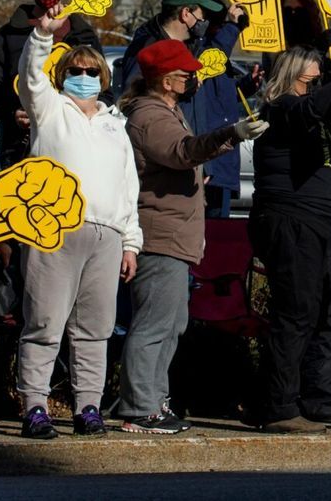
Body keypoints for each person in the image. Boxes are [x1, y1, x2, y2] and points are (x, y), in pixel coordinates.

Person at [117, 38, 267, 433]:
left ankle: (153, 400)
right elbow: (183, 152)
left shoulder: (167, 110)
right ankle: (139, 407)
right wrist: (230, 133)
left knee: (172, 323)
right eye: (184, 72)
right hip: (159, 234)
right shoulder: (151, 116)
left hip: (175, 236)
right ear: (166, 80)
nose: (190, 77)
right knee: (154, 324)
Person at [14, 12, 142, 439]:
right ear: (63, 75)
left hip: (105, 237)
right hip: (53, 229)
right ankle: (34, 404)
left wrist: (130, 243)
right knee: (44, 322)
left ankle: (88, 406)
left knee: (95, 329)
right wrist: (42, 36)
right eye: (75, 71)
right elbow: (31, 75)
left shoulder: (115, 126)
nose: (84, 76)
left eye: (91, 71)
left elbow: (129, 189)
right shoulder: (50, 109)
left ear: (104, 78)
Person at [249, 44, 331, 432]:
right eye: (307, 81)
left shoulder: (317, 112)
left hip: (319, 220)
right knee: (294, 313)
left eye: (317, 82)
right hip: (289, 218)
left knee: (323, 311)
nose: (314, 88)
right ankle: (279, 406)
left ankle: (315, 402)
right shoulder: (279, 109)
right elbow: (308, 109)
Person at [116, 0, 249, 215]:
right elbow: (134, 102)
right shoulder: (147, 48)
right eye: (202, 14)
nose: (204, 22)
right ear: (185, 13)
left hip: (190, 161)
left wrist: (202, 163)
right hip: (164, 169)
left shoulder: (190, 47)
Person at [0, 0, 102, 167]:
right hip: (19, 152)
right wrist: (12, 113)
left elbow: (104, 90)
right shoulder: (8, 35)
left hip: (74, 149)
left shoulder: (84, 37)